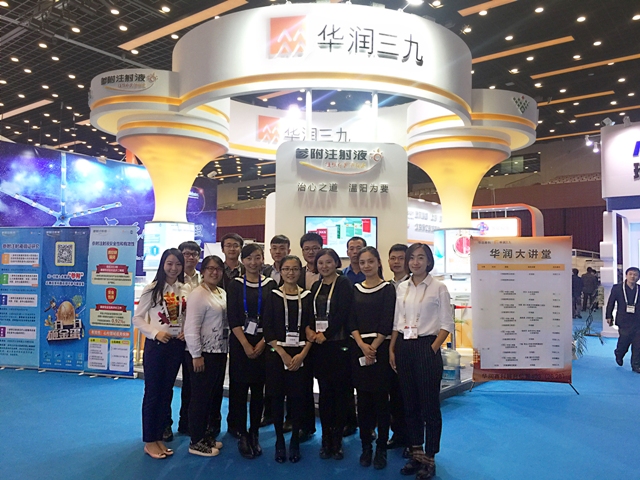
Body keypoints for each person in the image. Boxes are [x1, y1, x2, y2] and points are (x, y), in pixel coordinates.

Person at [389, 243, 454, 480]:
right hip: (404, 346)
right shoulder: (402, 287)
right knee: (410, 405)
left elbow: (447, 324)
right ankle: (416, 453)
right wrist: (392, 348)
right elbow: (397, 321)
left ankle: (430, 457)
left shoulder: (439, 288)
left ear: (428, 261)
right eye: (412, 258)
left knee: (429, 407)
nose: (415, 262)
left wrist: (432, 349)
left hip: (426, 346)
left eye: (421, 258)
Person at [132, 248, 191, 460]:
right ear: (163, 265)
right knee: (153, 392)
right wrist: (155, 333)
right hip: (156, 346)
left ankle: (158, 437)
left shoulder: (186, 289)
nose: (174, 268)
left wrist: (186, 330)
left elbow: (187, 316)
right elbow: (137, 318)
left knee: (166, 392)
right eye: (170, 263)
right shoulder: (153, 289)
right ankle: (149, 440)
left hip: (176, 346)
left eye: (178, 264)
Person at [348, 246, 395, 470]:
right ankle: (366, 446)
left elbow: (388, 321)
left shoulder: (388, 289)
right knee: (364, 401)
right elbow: (351, 320)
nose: (366, 266)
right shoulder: (355, 289)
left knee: (381, 402)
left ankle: (381, 448)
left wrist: (373, 347)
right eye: (362, 262)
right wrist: (361, 345)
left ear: (378, 263)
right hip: (359, 349)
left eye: (370, 261)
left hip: (381, 350)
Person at [227, 244, 276, 458]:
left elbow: (273, 317)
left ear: (263, 259)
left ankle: (254, 430)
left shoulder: (270, 284)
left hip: (264, 341)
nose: (253, 263)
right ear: (243, 261)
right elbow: (233, 317)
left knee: (258, 390)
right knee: (239, 389)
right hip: (241, 342)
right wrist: (246, 345)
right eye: (249, 258)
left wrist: (263, 342)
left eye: (257, 258)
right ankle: (241, 432)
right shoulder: (235, 284)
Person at [263, 255, 314, 463]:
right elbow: (267, 328)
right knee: (276, 397)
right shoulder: (272, 296)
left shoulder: (308, 296)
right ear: (281, 271)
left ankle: (294, 440)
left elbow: (311, 328)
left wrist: (302, 354)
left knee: (298, 398)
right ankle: (279, 440)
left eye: (294, 269)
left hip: (301, 355)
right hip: (277, 355)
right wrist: (283, 353)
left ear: (300, 272)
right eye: (286, 269)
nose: (290, 273)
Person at [306, 248, 353, 460]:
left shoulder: (344, 284)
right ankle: (326, 437)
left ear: (336, 263)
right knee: (325, 393)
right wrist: (310, 330)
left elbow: (343, 313)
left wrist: (327, 334)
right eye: (320, 263)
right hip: (320, 347)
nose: (324, 266)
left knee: (340, 394)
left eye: (328, 262)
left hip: (338, 345)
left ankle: (337, 439)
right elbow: (310, 313)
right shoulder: (316, 286)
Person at [184, 255, 228, 457]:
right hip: (202, 354)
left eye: (218, 268)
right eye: (210, 268)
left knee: (212, 396)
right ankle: (196, 441)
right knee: (200, 398)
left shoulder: (220, 292)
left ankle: (205, 435)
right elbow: (191, 326)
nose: (214, 272)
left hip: (219, 351)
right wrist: (196, 354)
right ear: (203, 271)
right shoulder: (198, 294)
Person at [169, 240, 202, 438]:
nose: (190, 257)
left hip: (194, 341)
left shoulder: (203, 278)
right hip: (173, 339)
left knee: (191, 384)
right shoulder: (172, 279)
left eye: (194, 254)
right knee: (168, 383)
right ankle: (165, 424)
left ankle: (186, 422)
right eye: (186, 254)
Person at [387, 243, 410, 455]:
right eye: (393, 258)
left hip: (408, 343)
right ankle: (398, 434)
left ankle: (413, 440)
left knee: (409, 394)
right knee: (394, 393)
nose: (396, 262)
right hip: (388, 344)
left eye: (401, 258)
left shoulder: (413, 285)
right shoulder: (387, 285)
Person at [606, 266, 640, 373]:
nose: (632, 276)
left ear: (638, 277)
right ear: (626, 275)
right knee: (624, 341)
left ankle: (636, 365)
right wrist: (608, 316)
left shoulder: (639, 289)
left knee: (638, 344)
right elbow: (611, 302)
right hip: (623, 320)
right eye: (630, 274)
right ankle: (619, 353)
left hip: (637, 321)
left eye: (635, 275)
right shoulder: (617, 288)